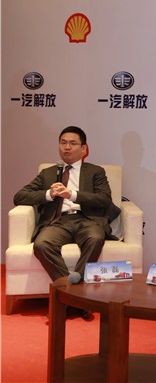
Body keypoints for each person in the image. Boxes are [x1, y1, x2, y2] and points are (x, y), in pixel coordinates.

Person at [14, 126, 116, 319]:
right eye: (63, 143)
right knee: (42, 244)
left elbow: (104, 200)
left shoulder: (95, 172)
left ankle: (69, 299)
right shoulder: (48, 173)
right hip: (58, 221)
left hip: (87, 220)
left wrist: (73, 195)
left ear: (84, 149)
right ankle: (76, 297)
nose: (67, 147)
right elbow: (19, 196)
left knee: (95, 239)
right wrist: (48, 194)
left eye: (72, 143)